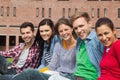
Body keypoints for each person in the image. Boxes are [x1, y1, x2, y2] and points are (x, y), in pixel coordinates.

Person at [12, 18, 77, 80]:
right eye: (41, 31)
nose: (44, 33)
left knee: (29, 73)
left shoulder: (58, 40)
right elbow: (48, 64)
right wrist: (39, 71)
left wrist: (38, 72)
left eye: (46, 30)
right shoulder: (47, 44)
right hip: (54, 73)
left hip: (64, 75)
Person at [70, 12, 104, 80]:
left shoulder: (97, 39)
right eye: (76, 28)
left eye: (81, 26)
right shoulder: (79, 41)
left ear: (89, 24)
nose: (79, 30)